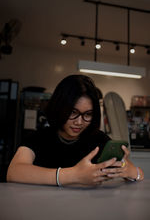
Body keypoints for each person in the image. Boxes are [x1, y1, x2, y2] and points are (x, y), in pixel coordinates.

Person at [7, 75, 144, 186]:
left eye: (87, 114)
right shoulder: (39, 138)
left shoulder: (98, 139)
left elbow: (138, 174)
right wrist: (74, 175)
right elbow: (14, 172)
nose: (79, 122)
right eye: (73, 112)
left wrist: (130, 172)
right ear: (59, 107)